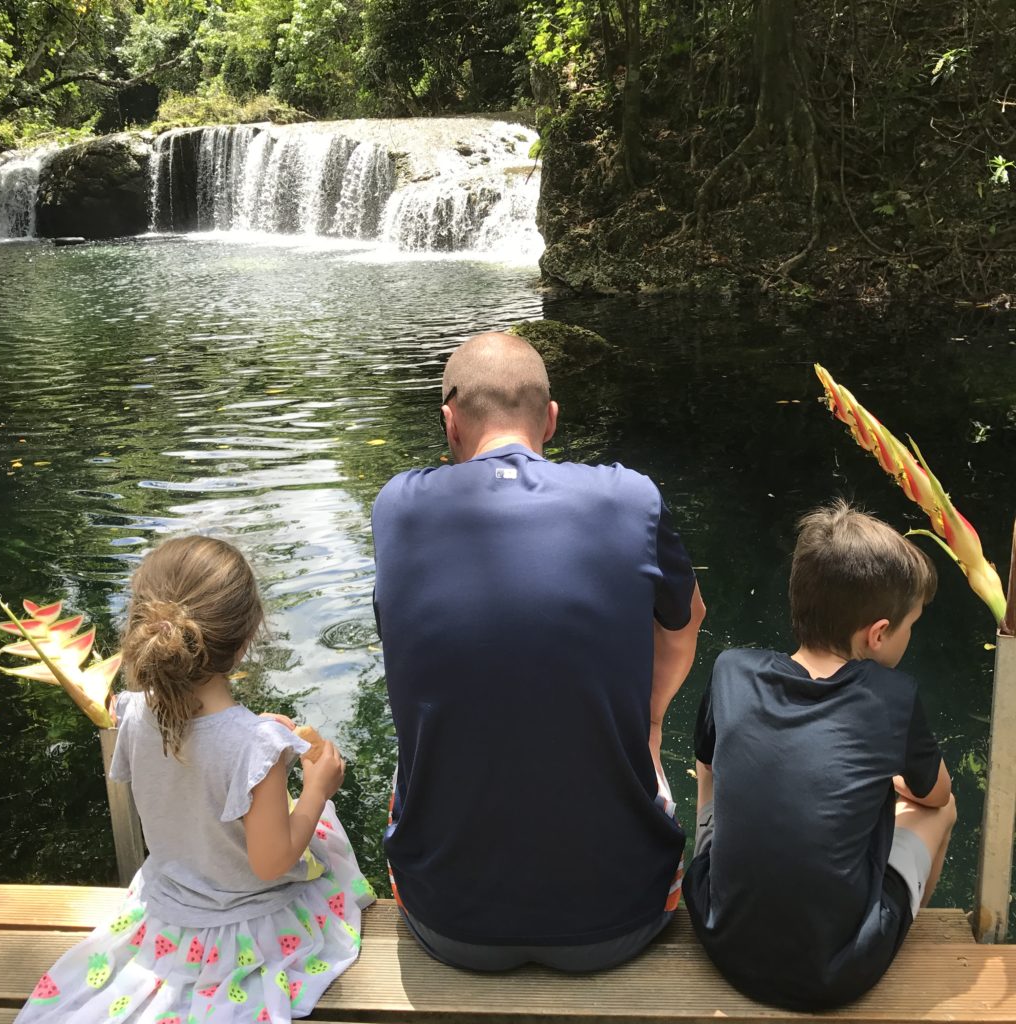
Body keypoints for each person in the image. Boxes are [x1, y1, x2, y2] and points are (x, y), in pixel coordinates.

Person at [371, 331, 706, 971]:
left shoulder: (398, 508)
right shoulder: (631, 496)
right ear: (551, 419)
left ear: (449, 423)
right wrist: (653, 721)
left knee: (412, 756)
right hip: (625, 917)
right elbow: (686, 621)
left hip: (446, 923)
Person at [17, 536, 374, 1024]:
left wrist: (258, 740)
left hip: (170, 907)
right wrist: (317, 788)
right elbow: (271, 862)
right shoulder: (256, 745)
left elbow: (194, 762)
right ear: (246, 640)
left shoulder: (133, 712)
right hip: (248, 924)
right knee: (324, 836)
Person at [683, 500, 957, 1010]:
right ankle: (898, 933)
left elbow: (708, 765)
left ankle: (724, 866)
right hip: (837, 975)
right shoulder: (892, 698)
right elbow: (935, 792)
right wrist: (892, 780)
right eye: (909, 626)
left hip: (722, 938)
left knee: (710, 767)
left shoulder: (730, 671)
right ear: (877, 634)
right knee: (938, 811)